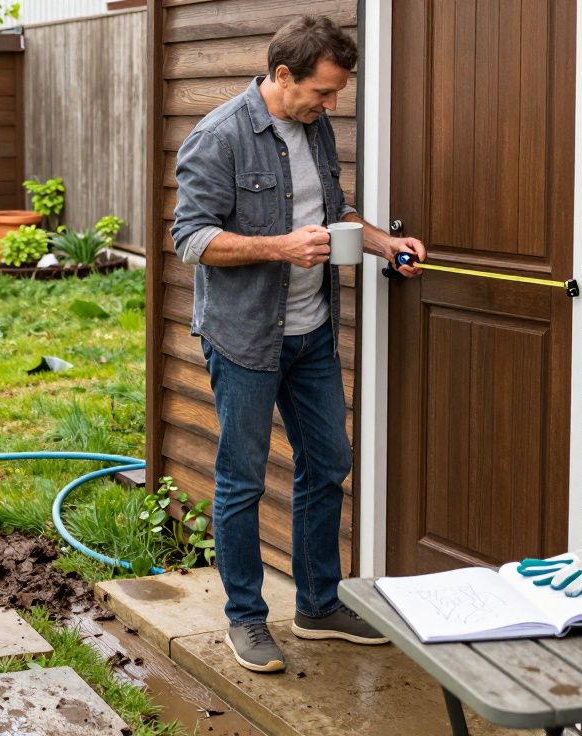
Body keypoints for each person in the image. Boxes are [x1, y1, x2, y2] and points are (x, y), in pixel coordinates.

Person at [170, 14, 426, 673]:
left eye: (337, 93)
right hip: (246, 340)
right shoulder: (219, 137)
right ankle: (247, 620)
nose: (331, 105)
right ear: (283, 76)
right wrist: (278, 247)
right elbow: (190, 238)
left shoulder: (315, 128)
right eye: (323, 91)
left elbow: (333, 214)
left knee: (330, 461)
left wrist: (384, 243)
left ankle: (318, 604)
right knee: (241, 481)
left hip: (310, 336)